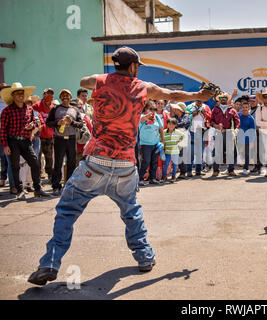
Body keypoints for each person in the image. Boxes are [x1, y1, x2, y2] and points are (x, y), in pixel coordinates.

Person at [28, 46, 213, 286]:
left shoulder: (101, 81)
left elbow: (84, 80)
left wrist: (106, 78)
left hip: (95, 162)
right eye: (137, 67)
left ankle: (50, 263)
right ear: (133, 66)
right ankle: (145, 256)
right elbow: (173, 96)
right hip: (126, 164)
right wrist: (199, 95)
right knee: (131, 211)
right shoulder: (143, 87)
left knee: (67, 211)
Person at [0, 83, 49, 200]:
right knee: (15, 166)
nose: (21, 96)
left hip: (26, 141)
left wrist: (32, 126)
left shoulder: (29, 109)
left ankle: (37, 189)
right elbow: (2, 130)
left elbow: (36, 123)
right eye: (18, 94)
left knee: (35, 163)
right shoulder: (7, 111)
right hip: (13, 141)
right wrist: (5, 145)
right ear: (13, 96)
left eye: (22, 93)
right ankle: (20, 190)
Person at [46, 89, 84, 195]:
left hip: (71, 139)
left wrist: (72, 122)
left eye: (67, 95)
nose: (65, 97)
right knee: (58, 163)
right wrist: (58, 122)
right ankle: (56, 186)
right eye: (63, 95)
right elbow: (48, 123)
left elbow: (81, 124)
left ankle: (68, 185)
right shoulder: (55, 109)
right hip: (59, 139)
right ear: (60, 98)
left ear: (71, 97)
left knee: (71, 163)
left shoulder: (75, 110)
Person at [210, 92, 240, 177]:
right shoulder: (215, 109)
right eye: (221, 98)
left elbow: (237, 120)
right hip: (218, 132)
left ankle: (231, 170)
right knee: (217, 152)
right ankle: (215, 170)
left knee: (231, 152)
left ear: (227, 100)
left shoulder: (232, 109)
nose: (223, 100)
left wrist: (236, 130)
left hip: (229, 132)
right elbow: (211, 120)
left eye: (225, 98)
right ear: (219, 100)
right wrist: (215, 125)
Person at [138, 101, 165, 185]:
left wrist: (163, 141)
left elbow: (161, 129)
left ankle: (152, 178)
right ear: (146, 108)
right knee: (146, 161)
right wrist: (148, 115)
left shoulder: (156, 117)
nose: (153, 111)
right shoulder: (142, 116)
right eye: (151, 109)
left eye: (154, 109)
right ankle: (140, 178)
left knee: (154, 161)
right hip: (145, 144)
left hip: (156, 143)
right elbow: (141, 120)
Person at [32, 88, 55, 183]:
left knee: (49, 157)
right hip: (38, 136)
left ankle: (49, 174)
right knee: (37, 157)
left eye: (51, 94)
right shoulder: (36, 106)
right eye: (47, 93)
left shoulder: (53, 107)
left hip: (50, 136)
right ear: (43, 95)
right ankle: (38, 175)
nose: (49, 95)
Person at [185, 99, 211, 176]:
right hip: (191, 132)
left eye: (201, 99)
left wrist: (205, 113)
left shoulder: (206, 107)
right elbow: (185, 118)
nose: (200, 101)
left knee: (200, 153)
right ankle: (189, 171)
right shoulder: (189, 107)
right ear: (195, 99)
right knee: (191, 152)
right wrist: (193, 114)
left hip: (202, 132)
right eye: (198, 99)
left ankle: (198, 170)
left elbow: (210, 118)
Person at [170, 102, 190, 178]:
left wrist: (175, 125)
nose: (175, 110)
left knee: (182, 154)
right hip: (176, 136)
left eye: (176, 109)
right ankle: (177, 171)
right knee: (176, 154)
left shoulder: (186, 116)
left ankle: (183, 172)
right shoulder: (174, 117)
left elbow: (185, 123)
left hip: (183, 136)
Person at [162, 117, 185, 183]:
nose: (171, 126)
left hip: (175, 152)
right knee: (166, 164)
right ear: (167, 124)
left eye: (173, 124)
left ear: (175, 125)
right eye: (169, 124)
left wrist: (179, 141)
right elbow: (161, 138)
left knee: (175, 165)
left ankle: (173, 176)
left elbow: (183, 136)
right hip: (167, 152)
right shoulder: (164, 132)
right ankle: (164, 176)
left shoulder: (177, 132)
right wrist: (162, 143)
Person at [237, 100, 256, 175]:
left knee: (246, 155)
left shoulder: (251, 118)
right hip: (238, 138)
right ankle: (230, 169)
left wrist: (252, 141)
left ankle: (245, 168)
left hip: (247, 140)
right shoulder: (238, 115)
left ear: (249, 108)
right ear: (241, 108)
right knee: (238, 153)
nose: (244, 109)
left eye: (246, 107)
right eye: (243, 107)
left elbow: (253, 131)